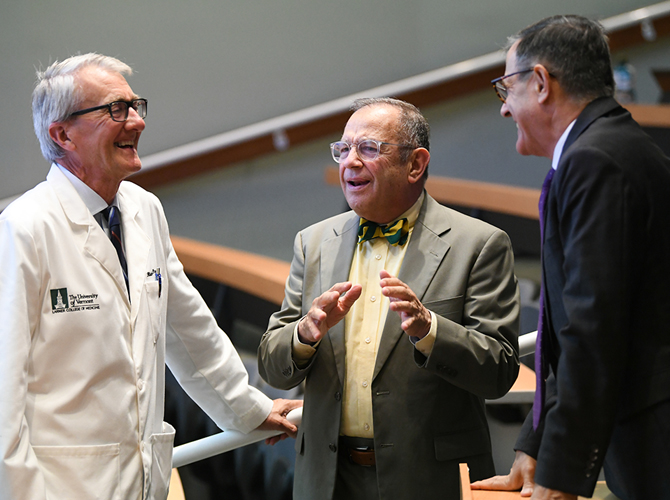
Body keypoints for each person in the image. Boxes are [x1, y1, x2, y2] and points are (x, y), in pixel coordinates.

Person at [0, 53, 300, 500]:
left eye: (135, 106)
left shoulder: (144, 209)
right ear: (62, 134)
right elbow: (4, 394)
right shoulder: (24, 227)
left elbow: (189, 328)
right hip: (62, 485)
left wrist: (247, 409)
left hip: (141, 480)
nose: (136, 122)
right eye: (114, 110)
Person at [257, 97, 520, 499]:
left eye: (368, 149)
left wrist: (430, 330)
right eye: (343, 150)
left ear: (415, 164)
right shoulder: (313, 243)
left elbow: (499, 370)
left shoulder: (479, 244)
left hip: (430, 480)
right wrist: (305, 334)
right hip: (327, 480)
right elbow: (274, 368)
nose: (349, 162)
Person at [471, 15, 670, 500]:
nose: (504, 111)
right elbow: (570, 329)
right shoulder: (608, 146)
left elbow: (593, 327)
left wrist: (560, 473)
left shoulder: (596, 160)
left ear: (540, 83)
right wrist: (536, 446)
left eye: (506, 90)